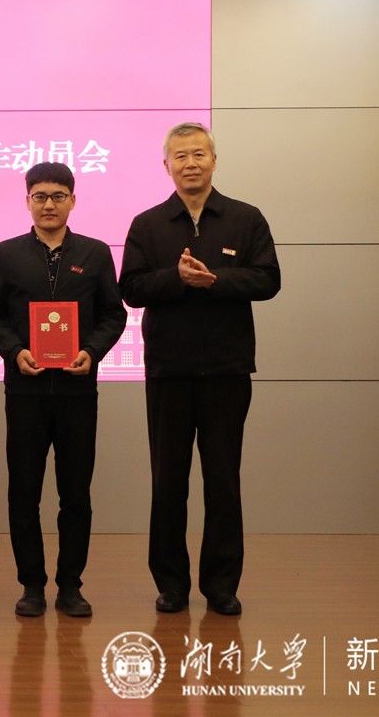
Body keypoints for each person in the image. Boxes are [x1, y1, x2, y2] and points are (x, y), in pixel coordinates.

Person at [120, 122, 281, 616]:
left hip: (228, 371)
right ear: (165, 165)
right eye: (180, 156)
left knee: (223, 480)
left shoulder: (245, 218)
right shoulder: (147, 224)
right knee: (168, 481)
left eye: (198, 154)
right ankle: (171, 584)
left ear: (214, 160)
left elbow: (268, 279)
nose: (190, 164)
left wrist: (215, 281)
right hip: (168, 372)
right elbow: (131, 289)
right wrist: (176, 278)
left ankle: (221, 585)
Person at [0, 162, 127, 618]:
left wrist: (92, 351)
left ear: (72, 201)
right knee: (24, 492)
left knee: (76, 494)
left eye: (58, 196)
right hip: (24, 391)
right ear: (27, 200)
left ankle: (70, 586)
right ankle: (31, 585)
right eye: (40, 196)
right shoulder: (6, 254)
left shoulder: (95, 253)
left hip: (77, 392)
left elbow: (114, 315)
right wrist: (15, 351)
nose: (49, 204)